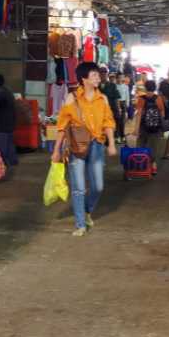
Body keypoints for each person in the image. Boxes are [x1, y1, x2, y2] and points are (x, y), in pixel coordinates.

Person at [52, 62, 116, 236]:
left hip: (96, 145)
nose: (98, 78)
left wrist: (111, 143)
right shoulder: (72, 98)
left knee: (98, 186)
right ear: (84, 79)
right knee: (79, 187)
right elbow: (62, 125)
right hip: (76, 147)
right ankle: (80, 224)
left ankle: (87, 210)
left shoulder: (102, 99)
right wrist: (56, 149)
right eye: (94, 75)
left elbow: (108, 122)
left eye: (98, 75)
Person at [134, 80, 165, 173]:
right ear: (154, 88)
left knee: (141, 145)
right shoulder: (158, 98)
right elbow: (162, 113)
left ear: (145, 87)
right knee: (154, 147)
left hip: (143, 127)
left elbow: (139, 114)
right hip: (156, 128)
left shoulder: (141, 98)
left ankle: (140, 164)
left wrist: (136, 129)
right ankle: (153, 166)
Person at [0, 74, 18, 167]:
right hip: (10, 123)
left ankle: (2, 165)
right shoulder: (8, 91)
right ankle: (12, 162)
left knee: (2, 147)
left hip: (1, 124)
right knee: (9, 145)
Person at [99, 70, 122, 144]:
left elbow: (116, 98)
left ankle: (110, 139)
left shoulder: (112, 85)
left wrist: (119, 109)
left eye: (104, 74)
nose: (103, 75)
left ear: (107, 75)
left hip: (110, 108)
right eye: (101, 74)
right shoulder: (95, 85)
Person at [116, 72, 130, 142]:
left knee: (123, 121)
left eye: (122, 77)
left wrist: (127, 106)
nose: (120, 78)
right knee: (117, 120)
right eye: (119, 77)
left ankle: (122, 136)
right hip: (116, 104)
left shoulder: (126, 86)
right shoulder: (115, 86)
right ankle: (117, 136)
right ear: (117, 78)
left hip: (123, 103)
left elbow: (127, 96)